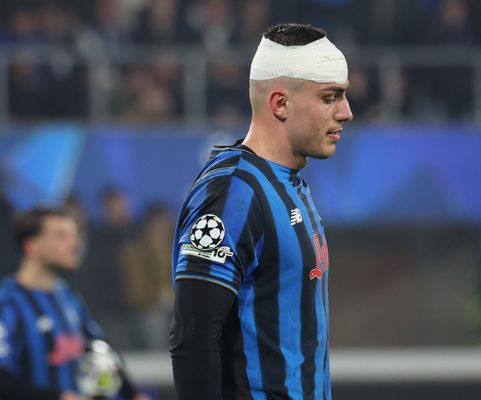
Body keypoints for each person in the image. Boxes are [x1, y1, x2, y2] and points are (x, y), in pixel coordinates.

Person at [170, 23, 352, 399]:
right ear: (280, 103)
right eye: (330, 97)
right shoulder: (234, 193)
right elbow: (193, 337)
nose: (346, 112)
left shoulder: (290, 184)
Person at [0, 207, 149, 400]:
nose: (75, 243)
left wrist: (133, 394)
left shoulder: (67, 296)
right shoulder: (8, 303)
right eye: (62, 236)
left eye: (75, 234)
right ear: (32, 246)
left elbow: (100, 349)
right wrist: (55, 398)